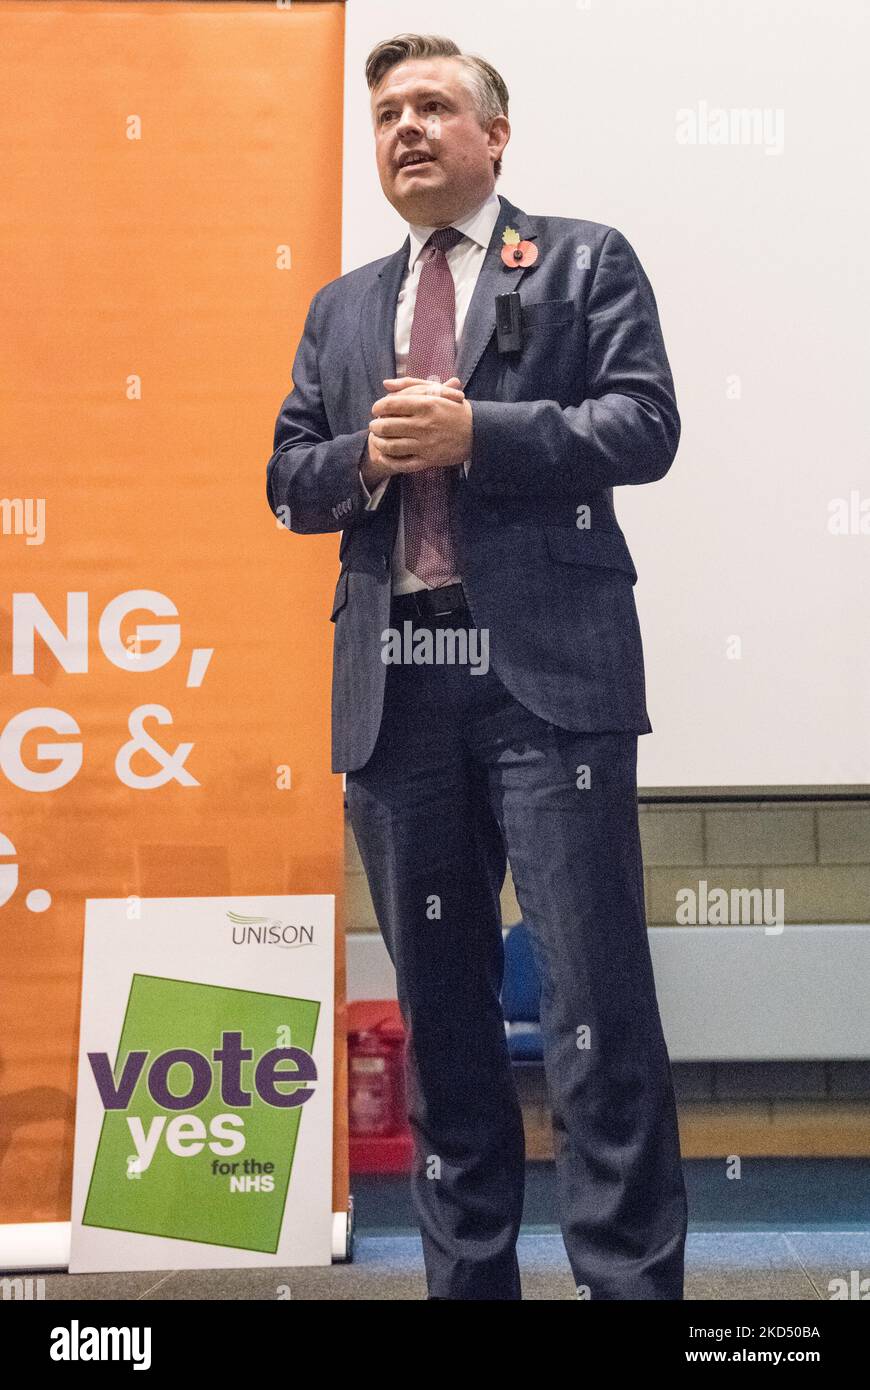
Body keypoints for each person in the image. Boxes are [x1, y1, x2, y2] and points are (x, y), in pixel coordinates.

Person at [266, 31, 688, 1300]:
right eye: (387, 111)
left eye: (434, 106)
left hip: (545, 684)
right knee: (444, 1025)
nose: (406, 128)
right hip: (397, 695)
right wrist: (371, 460)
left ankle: (629, 1288)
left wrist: (475, 431)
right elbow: (287, 477)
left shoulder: (578, 258)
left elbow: (646, 423)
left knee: (595, 1008)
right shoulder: (341, 307)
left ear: (493, 135)